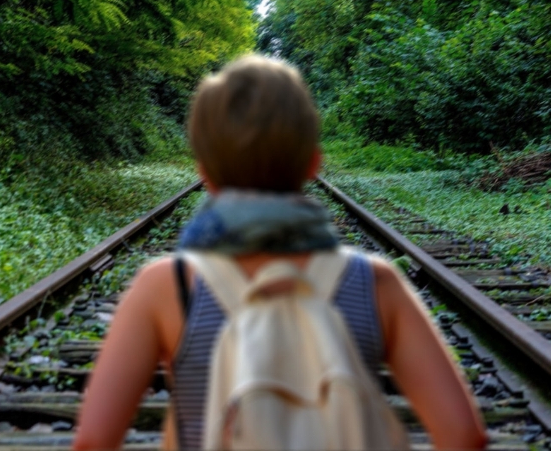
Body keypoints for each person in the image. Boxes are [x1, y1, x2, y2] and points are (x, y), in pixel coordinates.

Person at [73, 55, 488, 450]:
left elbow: (93, 441)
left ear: (204, 173)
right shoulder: (374, 282)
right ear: (312, 164)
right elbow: (463, 436)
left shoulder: (166, 285)